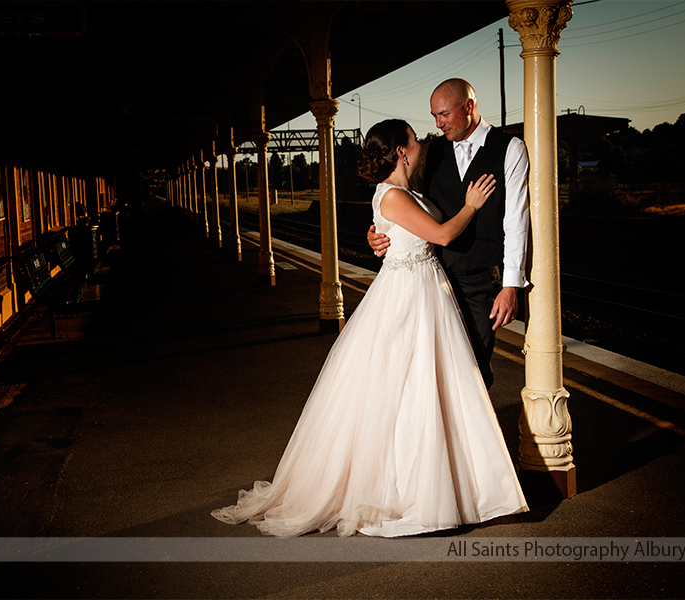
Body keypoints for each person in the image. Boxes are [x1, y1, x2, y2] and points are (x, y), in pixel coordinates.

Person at [211, 119, 527, 538]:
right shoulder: (393, 195)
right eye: (414, 140)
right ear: (400, 150)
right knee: (404, 391)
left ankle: (435, 484)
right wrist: (470, 205)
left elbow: (399, 230)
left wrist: (382, 235)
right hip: (409, 296)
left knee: (427, 391)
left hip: (427, 291)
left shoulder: (403, 191)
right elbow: (443, 235)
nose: (420, 145)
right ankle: (405, 491)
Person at [368, 79, 529, 388]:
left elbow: (516, 220)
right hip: (430, 283)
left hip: (479, 280)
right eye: (434, 116)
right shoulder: (430, 153)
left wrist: (511, 286)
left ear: (468, 107)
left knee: (474, 374)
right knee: (428, 377)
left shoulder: (510, 149)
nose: (438, 124)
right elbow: (402, 203)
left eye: (444, 114)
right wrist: (377, 233)